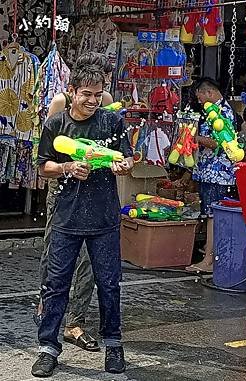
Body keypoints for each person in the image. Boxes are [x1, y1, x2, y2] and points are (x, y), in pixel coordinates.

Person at [33, 67, 133, 377]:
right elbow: (42, 166)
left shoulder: (112, 121)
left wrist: (124, 166)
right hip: (66, 216)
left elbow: (127, 159)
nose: (92, 100)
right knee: (55, 286)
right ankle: (48, 348)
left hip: (104, 217)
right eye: (86, 94)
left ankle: (114, 346)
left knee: (109, 286)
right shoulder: (56, 124)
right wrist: (67, 167)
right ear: (72, 92)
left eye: (97, 94)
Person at [186, 78, 237, 274]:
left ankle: (209, 261)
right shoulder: (212, 111)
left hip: (218, 173)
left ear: (209, 93)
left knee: (213, 216)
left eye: (200, 97)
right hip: (208, 171)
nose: (199, 101)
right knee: (210, 215)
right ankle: (209, 258)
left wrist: (193, 137)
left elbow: (218, 143)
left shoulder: (222, 112)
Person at [47, 52, 114, 116]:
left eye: (98, 95)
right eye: (106, 75)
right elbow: (51, 126)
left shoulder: (106, 98)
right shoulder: (61, 101)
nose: (108, 81)